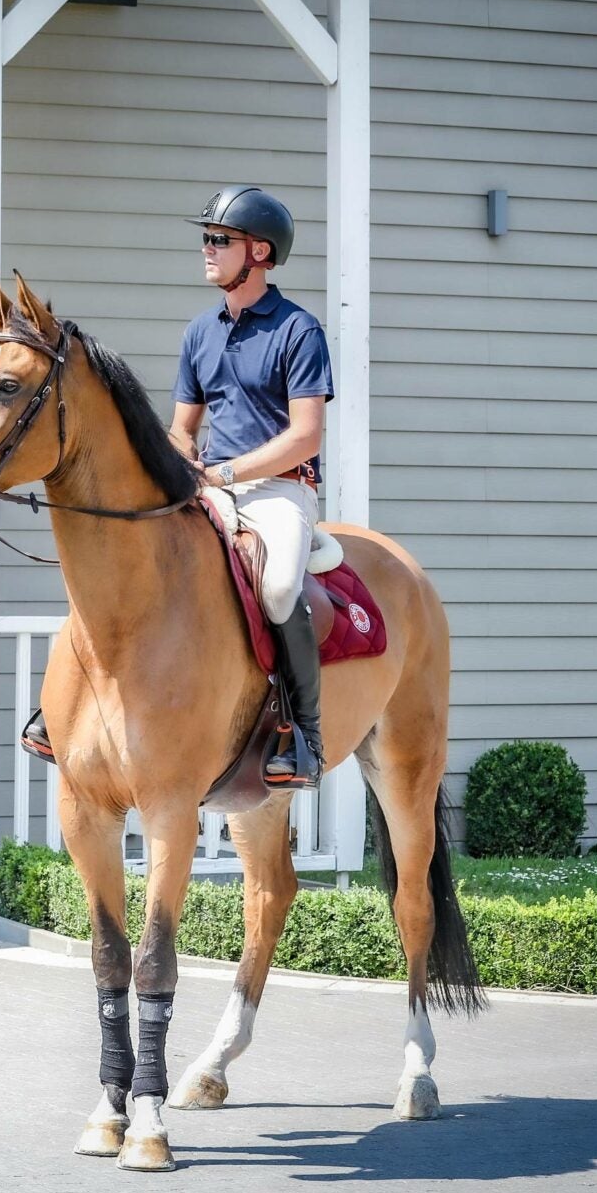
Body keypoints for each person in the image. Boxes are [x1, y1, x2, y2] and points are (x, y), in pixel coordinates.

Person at [171, 184, 333, 789]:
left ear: (259, 252)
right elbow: (183, 430)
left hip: (278, 490)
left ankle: (305, 734)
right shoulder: (199, 333)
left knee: (280, 584)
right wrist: (183, 465)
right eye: (206, 239)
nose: (207, 249)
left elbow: (307, 435)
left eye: (220, 240)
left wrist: (228, 472)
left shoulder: (299, 330)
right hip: (211, 486)